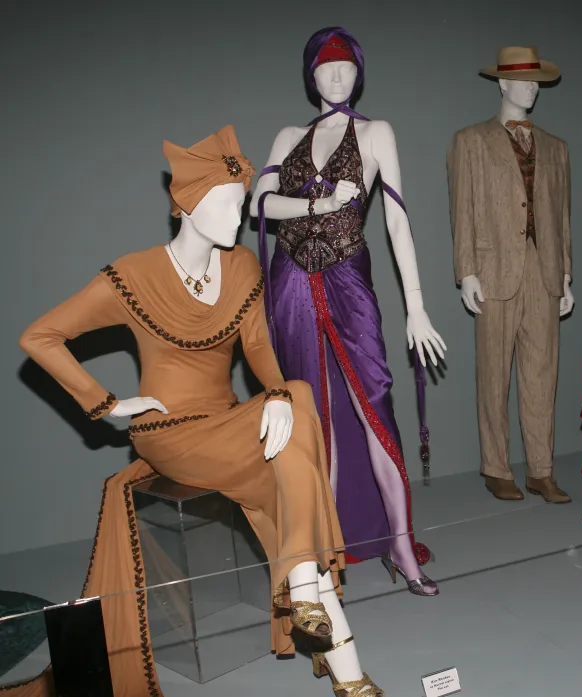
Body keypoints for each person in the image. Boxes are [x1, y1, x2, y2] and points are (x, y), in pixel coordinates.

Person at [14, 126, 381, 697]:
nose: (240, 220)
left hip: (228, 421)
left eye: (240, 208)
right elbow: (41, 336)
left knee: (299, 418)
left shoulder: (240, 270)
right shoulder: (134, 274)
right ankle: (316, 611)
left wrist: (279, 395)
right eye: (231, 207)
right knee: (298, 478)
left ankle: (343, 665)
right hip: (169, 432)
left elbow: (259, 349)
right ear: (189, 205)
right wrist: (110, 404)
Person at [251, 27, 445, 595]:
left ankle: (401, 546)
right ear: (310, 74)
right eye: (326, 67)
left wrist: (417, 307)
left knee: (374, 403)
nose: (337, 76)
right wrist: (319, 200)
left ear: (358, 74)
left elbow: (396, 221)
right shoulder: (290, 134)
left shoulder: (376, 132)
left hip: (348, 277)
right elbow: (259, 202)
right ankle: (323, 552)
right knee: (308, 410)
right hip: (289, 280)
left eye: (346, 67)